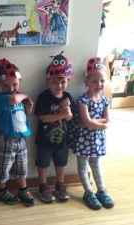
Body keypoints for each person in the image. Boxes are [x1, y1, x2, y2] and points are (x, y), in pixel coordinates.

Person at [73, 57, 114, 210]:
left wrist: (94, 123)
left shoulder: (104, 101)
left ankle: (101, 191)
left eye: (102, 81)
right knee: (83, 166)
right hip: (83, 139)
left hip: (97, 139)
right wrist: (99, 123)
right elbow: (89, 122)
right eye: (94, 81)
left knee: (96, 165)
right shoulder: (82, 100)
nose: (99, 84)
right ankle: (88, 192)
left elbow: (107, 121)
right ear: (87, 82)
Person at [34, 52, 75, 203]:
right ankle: (43, 186)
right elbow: (43, 118)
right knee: (43, 163)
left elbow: (71, 118)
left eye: (63, 82)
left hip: (62, 140)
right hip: (45, 140)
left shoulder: (68, 97)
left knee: (61, 163)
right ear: (48, 82)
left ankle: (60, 185)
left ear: (68, 81)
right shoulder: (43, 97)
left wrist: (68, 112)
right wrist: (61, 114)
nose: (59, 86)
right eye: (55, 82)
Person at [0, 58, 35, 207]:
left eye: (15, 84)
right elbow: (12, 99)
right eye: (6, 85)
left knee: (22, 167)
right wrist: (24, 95)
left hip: (21, 140)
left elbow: (21, 117)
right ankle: (2, 190)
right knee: (3, 167)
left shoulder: (17, 99)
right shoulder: (0, 98)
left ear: (20, 81)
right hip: (6, 140)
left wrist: (28, 109)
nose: (11, 88)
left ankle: (23, 189)